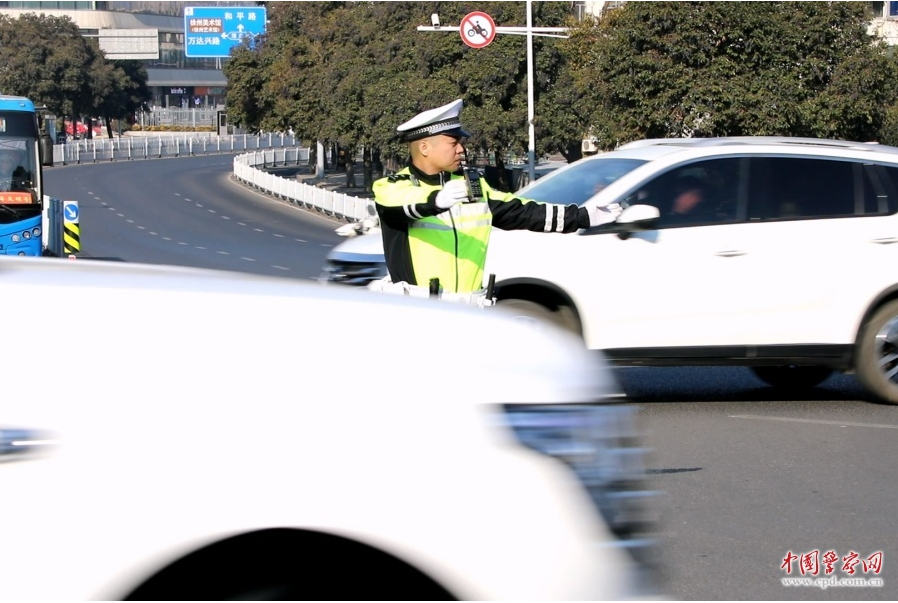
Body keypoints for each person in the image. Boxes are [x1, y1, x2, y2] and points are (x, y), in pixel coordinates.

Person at [372, 99, 622, 295]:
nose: (462, 149)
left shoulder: (472, 186)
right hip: (420, 317)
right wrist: (437, 200)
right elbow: (402, 205)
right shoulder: (391, 187)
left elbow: (522, 211)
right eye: (453, 142)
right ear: (425, 147)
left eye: (461, 142)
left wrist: (582, 216)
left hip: (470, 313)